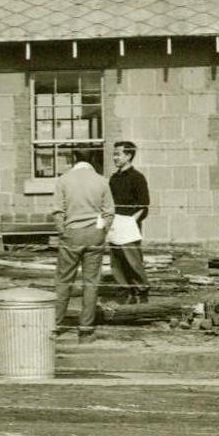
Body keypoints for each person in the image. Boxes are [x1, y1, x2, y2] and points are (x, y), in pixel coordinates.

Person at [51, 147, 115, 341]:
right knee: (91, 282)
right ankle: (85, 329)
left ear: (74, 159)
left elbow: (58, 212)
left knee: (64, 280)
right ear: (93, 159)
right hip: (94, 235)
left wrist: (63, 231)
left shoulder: (63, 180)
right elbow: (109, 212)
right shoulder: (102, 181)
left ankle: (55, 324)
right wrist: (100, 230)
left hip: (71, 235)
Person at [108, 140, 151, 304]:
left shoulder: (137, 178)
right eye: (114, 154)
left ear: (128, 155)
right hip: (114, 224)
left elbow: (144, 204)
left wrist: (130, 223)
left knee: (133, 259)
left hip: (129, 225)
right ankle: (124, 291)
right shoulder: (113, 178)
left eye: (118, 154)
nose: (115, 158)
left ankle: (141, 290)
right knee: (116, 261)